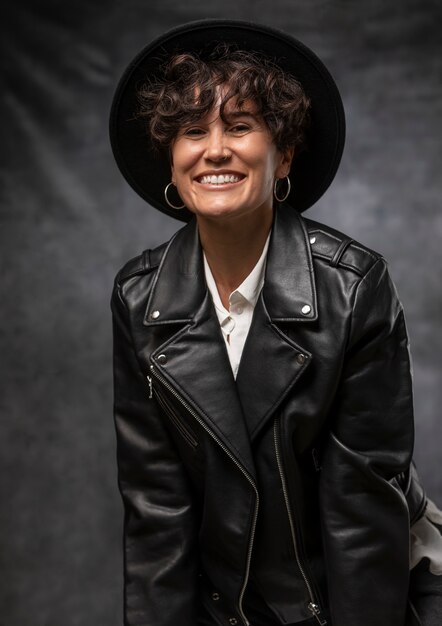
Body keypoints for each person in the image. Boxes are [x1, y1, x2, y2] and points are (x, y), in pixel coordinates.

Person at [109, 19, 442, 626]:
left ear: (283, 152)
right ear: (172, 159)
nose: (214, 150)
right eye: (191, 131)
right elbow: (156, 507)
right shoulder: (139, 297)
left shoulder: (354, 285)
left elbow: (361, 508)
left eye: (240, 127)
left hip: (336, 601)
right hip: (222, 608)